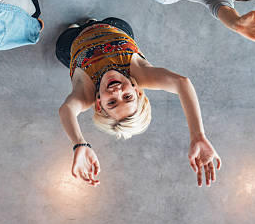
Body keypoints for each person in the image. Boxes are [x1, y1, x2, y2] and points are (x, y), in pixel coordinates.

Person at [57, 18, 221, 187]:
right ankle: (92, 21)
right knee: (109, 23)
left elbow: (67, 109)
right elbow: (182, 83)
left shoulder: (86, 92)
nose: (117, 92)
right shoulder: (141, 73)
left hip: (73, 42)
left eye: (112, 102)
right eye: (127, 97)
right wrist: (198, 135)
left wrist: (79, 143)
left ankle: (77, 27)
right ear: (136, 90)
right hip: (113, 27)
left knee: (65, 41)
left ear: (99, 104)